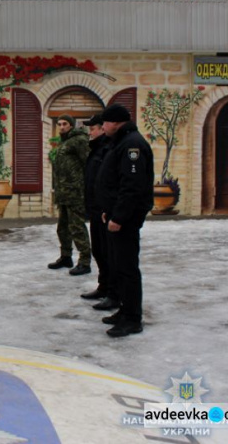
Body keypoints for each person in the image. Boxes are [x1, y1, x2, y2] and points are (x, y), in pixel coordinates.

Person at [95, 104, 154, 337]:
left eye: (104, 123)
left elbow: (132, 185)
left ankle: (132, 318)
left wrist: (119, 216)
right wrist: (109, 211)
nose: (102, 127)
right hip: (116, 215)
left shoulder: (132, 145)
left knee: (127, 267)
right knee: (119, 265)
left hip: (126, 219)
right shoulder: (122, 141)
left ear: (116, 122)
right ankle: (124, 309)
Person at [79, 114, 118, 310]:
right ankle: (103, 287)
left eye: (92, 128)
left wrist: (106, 208)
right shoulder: (96, 149)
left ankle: (113, 293)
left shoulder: (107, 149)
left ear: (103, 129)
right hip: (95, 209)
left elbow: (109, 183)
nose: (90, 132)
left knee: (107, 253)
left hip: (103, 211)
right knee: (99, 252)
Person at [48, 115, 91, 276]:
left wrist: (84, 187)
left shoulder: (79, 140)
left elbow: (88, 163)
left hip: (75, 192)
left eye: (65, 124)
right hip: (64, 193)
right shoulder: (65, 142)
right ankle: (66, 257)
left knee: (77, 227)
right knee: (63, 228)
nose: (61, 127)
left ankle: (85, 261)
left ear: (72, 125)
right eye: (59, 124)